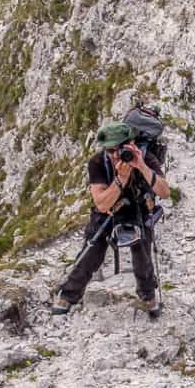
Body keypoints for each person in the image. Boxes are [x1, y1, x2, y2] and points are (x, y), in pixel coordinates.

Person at [51, 120, 170, 317]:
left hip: (138, 208)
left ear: (131, 144)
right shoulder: (97, 162)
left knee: (143, 255)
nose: (116, 155)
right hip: (109, 210)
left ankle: (148, 295)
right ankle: (68, 294)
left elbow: (165, 192)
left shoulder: (146, 158)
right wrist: (120, 179)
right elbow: (102, 203)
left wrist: (141, 166)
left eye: (120, 149)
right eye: (110, 151)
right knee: (92, 250)